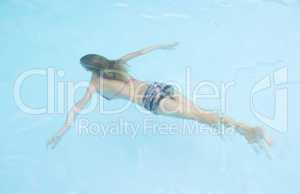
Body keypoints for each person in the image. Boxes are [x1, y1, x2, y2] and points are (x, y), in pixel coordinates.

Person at [47, 42, 272, 154]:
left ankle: (249, 131)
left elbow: (76, 109)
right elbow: (142, 51)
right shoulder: (116, 63)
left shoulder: (94, 83)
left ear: (88, 69)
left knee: (200, 117)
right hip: (159, 87)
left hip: (152, 101)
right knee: (200, 114)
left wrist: (60, 133)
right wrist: (164, 45)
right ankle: (242, 132)